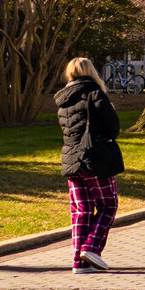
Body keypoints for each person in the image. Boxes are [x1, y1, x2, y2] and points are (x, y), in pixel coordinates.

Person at [54, 56, 125, 273]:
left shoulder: (63, 99)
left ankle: (79, 262)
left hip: (71, 159)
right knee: (108, 205)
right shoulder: (95, 93)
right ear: (91, 71)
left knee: (81, 211)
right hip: (95, 157)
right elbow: (113, 126)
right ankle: (91, 247)